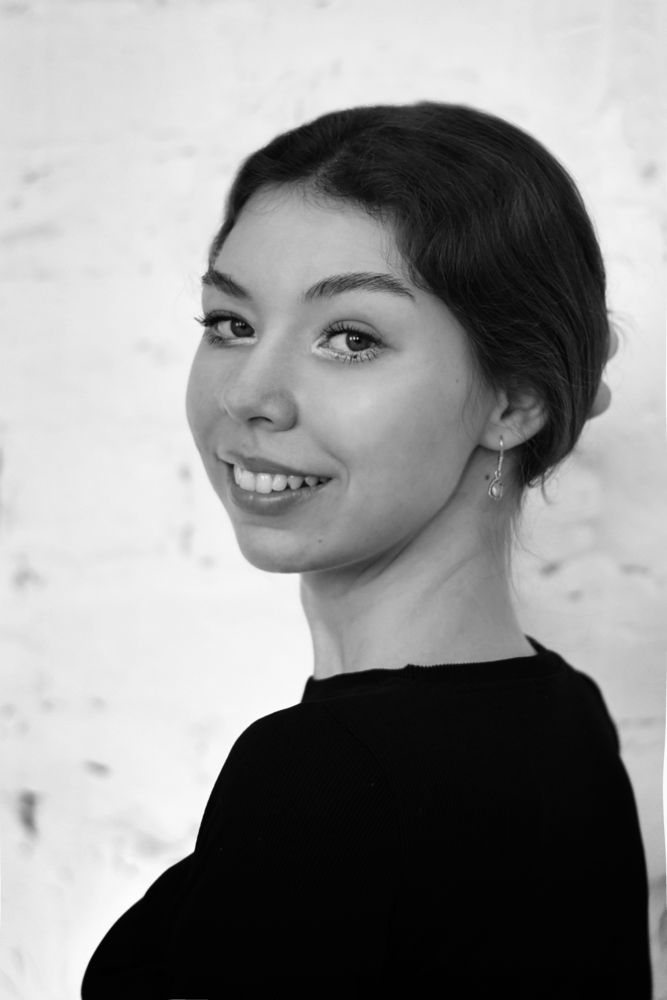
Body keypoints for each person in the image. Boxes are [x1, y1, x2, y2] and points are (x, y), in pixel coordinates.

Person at [81, 102, 652, 999]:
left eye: (350, 338)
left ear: (513, 402)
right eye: (230, 323)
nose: (249, 395)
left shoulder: (325, 775)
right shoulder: (566, 717)